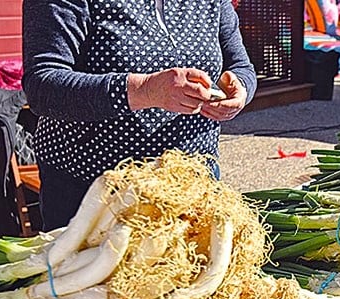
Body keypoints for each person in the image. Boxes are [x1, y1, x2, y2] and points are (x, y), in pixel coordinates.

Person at [22, 0, 258, 230]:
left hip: (192, 186)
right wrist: (143, 90)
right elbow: (42, 86)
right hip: (95, 193)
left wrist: (240, 90)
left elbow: (241, 66)